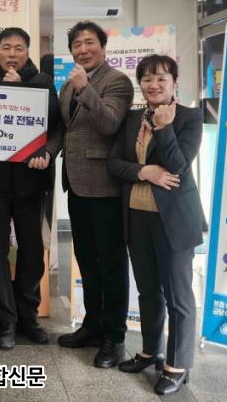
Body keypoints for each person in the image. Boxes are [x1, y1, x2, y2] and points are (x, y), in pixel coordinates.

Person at [108, 54, 204, 395]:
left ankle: (177, 364)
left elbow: (177, 165)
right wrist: (143, 172)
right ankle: (151, 351)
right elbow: (114, 163)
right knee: (148, 290)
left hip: (174, 220)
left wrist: (164, 127)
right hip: (137, 216)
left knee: (178, 295)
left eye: (161, 78)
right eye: (147, 79)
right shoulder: (133, 118)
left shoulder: (190, 117)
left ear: (175, 82)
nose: (153, 85)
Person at [0, 28, 63, 350]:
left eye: (19, 48)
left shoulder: (43, 82)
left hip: (31, 182)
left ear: (27, 51)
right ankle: (5, 321)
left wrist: (47, 153)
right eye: (7, 47)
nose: (12, 54)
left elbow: (56, 126)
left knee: (32, 252)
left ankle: (28, 315)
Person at [56, 21, 134, 369]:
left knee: (111, 264)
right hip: (76, 184)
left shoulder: (117, 81)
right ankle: (92, 325)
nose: (83, 49)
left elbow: (110, 123)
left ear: (103, 46)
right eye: (77, 44)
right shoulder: (67, 85)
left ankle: (114, 337)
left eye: (89, 42)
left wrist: (85, 89)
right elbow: (65, 130)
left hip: (105, 187)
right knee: (87, 260)